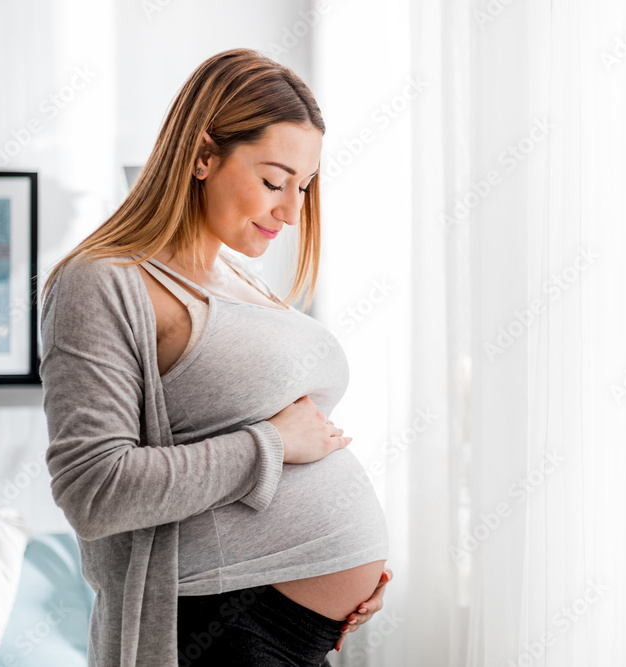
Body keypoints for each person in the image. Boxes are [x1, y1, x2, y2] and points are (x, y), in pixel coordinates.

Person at [39, 48, 392, 666]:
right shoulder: (103, 283)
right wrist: (272, 445)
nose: (291, 209)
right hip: (215, 628)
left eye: (304, 187)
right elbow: (93, 489)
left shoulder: (235, 276)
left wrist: (330, 569)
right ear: (203, 154)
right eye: (274, 181)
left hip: (288, 632)